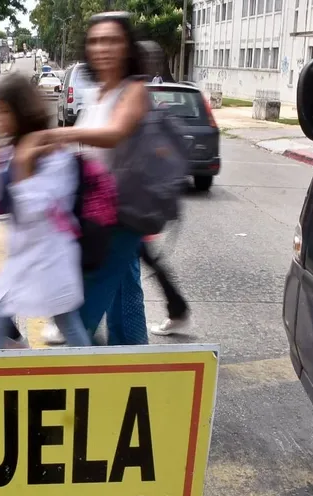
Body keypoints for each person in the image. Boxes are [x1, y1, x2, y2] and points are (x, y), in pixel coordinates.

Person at [37, 12, 150, 346]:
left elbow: (114, 135)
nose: (103, 48)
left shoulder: (134, 91)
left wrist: (56, 135)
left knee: (84, 309)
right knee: (124, 290)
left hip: (121, 212)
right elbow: (94, 151)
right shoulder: (100, 92)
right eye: (96, 41)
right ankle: (132, 358)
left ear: (128, 47)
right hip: (104, 209)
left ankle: (80, 366)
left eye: (112, 40)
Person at [0, 74, 91, 349]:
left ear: (20, 111)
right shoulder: (18, 147)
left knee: (66, 320)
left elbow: (34, 209)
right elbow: (1, 197)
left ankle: (88, 372)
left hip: (49, 255)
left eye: (3, 111)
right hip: (26, 255)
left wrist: (22, 166)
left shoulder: (53, 153)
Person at [136, 39, 192, 335]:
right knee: (142, 257)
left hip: (139, 202)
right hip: (144, 200)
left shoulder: (138, 99)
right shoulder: (144, 96)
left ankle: (73, 323)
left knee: (134, 256)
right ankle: (177, 309)